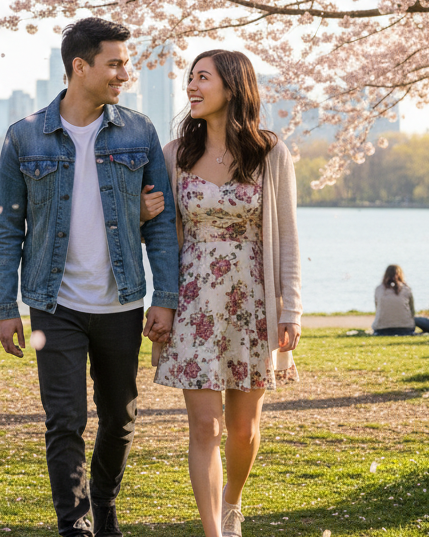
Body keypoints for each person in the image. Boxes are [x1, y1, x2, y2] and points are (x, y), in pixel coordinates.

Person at [0, 17, 182, 537]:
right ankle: (74, 524)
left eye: (125, 61)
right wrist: (5, 307)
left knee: (120, 419)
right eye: (114, 62)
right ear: (80, 66)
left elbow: (161, 223)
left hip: (121, 303)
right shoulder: (25, 136)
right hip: (54, 304)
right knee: (64, 420)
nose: (125, 72)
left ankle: (104, 502)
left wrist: (165, 297)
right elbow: (6, 226)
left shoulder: (139, 131)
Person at [143, 50, 301, 537]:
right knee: (204, 428)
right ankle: (214, 530)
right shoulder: (174, 154)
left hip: (252, 301)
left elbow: (288, 236)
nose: (192, 85)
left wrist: (290, 308)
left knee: (242, 429)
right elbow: (161, 234)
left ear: (232, 88)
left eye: (203, 77)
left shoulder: (270, 152)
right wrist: (145, 213)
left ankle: (232, 501)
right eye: (190, 78)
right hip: (194, 301)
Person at [372, 265, 416, 336]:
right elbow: (412, 310)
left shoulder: (379, 289)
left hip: (382, 328)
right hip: (405, 327)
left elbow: (377, 307)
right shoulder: (406, 289)